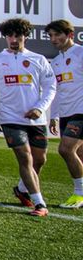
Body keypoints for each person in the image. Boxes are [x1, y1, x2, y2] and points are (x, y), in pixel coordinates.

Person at [0, 18, 56, 217]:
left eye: (18, 36)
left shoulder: (39, 59)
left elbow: (51, 88)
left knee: (40, 160)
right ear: (5, 37)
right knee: (25, 158)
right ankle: (39, 203)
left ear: (25, 36)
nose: (13, 39)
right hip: (10, 119)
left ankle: (21, 189)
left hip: (36, 120)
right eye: (10, 36)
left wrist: (40, 109)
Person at [46, 19, 83, 208]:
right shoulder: (57, 61)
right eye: (51, 36)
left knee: (65, 149)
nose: (53, 39)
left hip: (81, 112)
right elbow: (57, 91)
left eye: (57, 35)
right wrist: (54, 115)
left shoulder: (81, 52)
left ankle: (79, 194)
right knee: (80, 155)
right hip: (67, 113)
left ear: (70, 35)